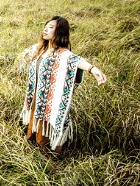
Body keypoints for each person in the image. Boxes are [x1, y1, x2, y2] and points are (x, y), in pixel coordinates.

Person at [19, 15, 107, 157]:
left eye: (51, 27)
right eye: (46, 26)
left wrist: (93, 69)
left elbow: (76, 60)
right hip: (36, 96)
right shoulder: (40, 48)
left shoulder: (62, 53)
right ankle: (37, 150)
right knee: (35, 129)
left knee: (50, 130)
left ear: (59, 32)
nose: (45, 29)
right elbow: (26, 53)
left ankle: (54, 158)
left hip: (51, 100)